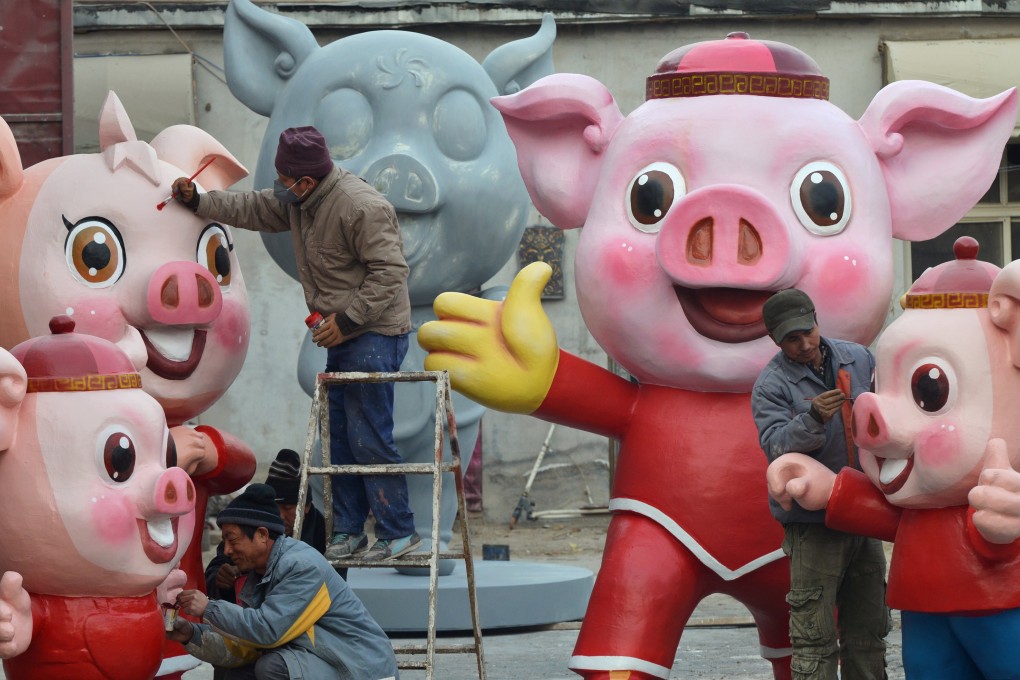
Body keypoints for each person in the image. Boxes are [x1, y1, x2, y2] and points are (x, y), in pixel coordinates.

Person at [172, 126, 419, 562]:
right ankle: (348, 530)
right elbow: (252, 206)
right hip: (342, 331)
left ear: (305, 181)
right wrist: (199, 201)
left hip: (375, 332)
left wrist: (347, 321)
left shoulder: (361, 207)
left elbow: (391, 273)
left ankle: (397, 530)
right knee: (339, 437)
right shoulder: (300, 201)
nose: (279, 190)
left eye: (285, 182)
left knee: (368, 437)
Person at [750, 288, 889, 680]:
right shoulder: (771, 384)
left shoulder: (857, 358)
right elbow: (774, 447)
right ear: (777, 341)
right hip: (814, 525)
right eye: (792, 339)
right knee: (814, 638)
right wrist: (811, 420)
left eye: (808, 331)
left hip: (865, 514)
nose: (805, 343)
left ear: (816, 320)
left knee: (869, 631)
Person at [168, 484, 398, 680]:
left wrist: (209, 607)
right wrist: (191, 634)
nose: (226, 550)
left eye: (233, 540)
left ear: (262, 535)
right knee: (234, 667)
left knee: (272, 667)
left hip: (364, 669)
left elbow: (267, 631)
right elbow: (245, 645)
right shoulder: (261, 574)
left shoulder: (301, 566)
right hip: (326, 661)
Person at [206, 448, 330, 609]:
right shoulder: (248, 528)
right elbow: (218, 567)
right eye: (275, 507)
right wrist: (220, 578)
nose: (280, 515)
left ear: (306, 506)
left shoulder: (323, 532)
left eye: (287, 507)